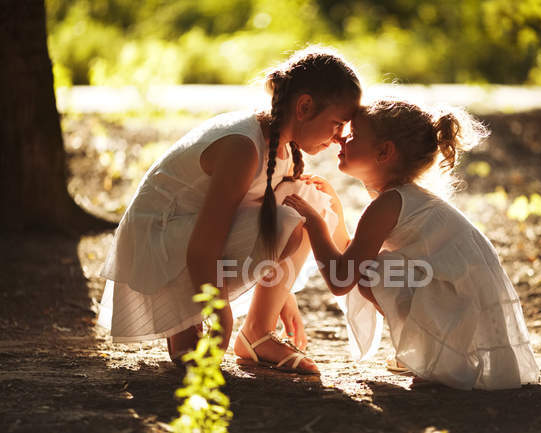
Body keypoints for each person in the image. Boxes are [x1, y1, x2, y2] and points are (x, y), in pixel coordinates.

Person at [97, 47, 361, 375]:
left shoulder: (284, 144)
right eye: (337, 125)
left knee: (308, 200)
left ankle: (257, 333)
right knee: (296, 212)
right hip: (161, 242)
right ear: (305, 107)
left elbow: (259, 224)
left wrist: (280, 295)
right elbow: (204, 246)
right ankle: (184, 320)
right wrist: (220, 315)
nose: (339, 139)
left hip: (195, 238)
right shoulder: (243, 147)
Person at [283, 100, 540, 389]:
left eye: (352, 135)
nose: (340, 137)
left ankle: (435, 355)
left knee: (371, 273)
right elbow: (350, 259)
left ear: (384, 152)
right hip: (458, 296)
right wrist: (335, 212)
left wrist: (315, 225)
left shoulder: (389, 203)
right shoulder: (400, 197)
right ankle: (434, 352)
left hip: (459, 299)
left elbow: (342, 277)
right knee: (369, 268)